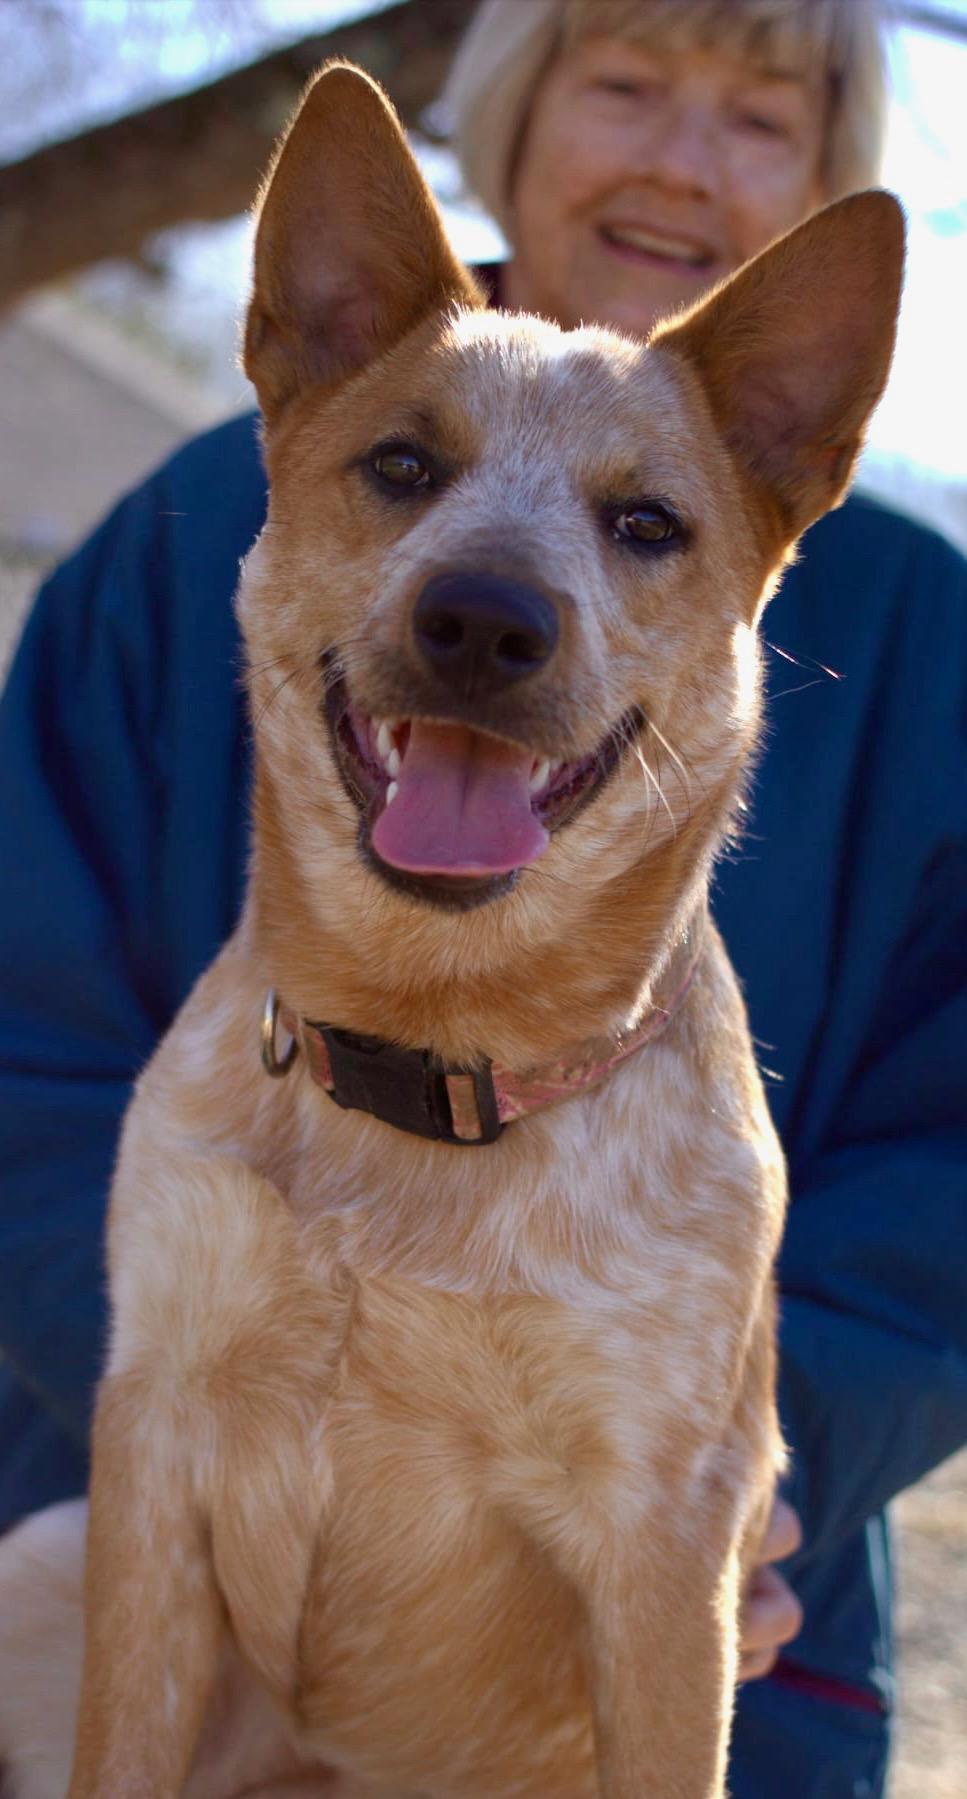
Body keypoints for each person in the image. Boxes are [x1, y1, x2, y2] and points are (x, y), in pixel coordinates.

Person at [0, 1, 963, 1794]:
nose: (682, 151)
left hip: (722, 1606)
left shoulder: (931, 640)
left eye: (761, 111)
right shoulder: (199, 513)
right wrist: (212, 1387)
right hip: (160, 1522)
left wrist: (763, 1466)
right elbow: (16, 1030)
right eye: (623, 81)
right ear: (505, 118)